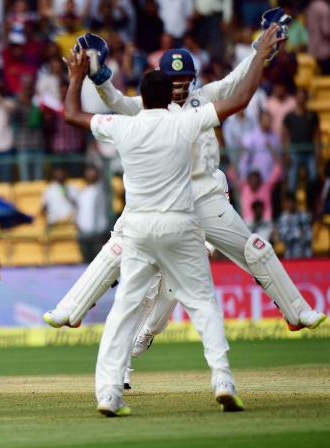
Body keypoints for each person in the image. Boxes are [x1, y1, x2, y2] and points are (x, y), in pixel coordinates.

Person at [44, 15, 324, 337]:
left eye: (184, 79)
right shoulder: (148, 105)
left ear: (193, 79)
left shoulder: (203, 99)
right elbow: (116, 101)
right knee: (116, 249)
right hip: (162, 194)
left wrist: (261, 50)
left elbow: (237, 80)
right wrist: (99, 77)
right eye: (173, 80)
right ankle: (71, 309)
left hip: (205, 194)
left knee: (256, 248)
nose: (178, 87)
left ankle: (297, 311)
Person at [62, 25, 280, 415]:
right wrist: (260, 55)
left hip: (139, 228)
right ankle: (222, 379)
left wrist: (78, 76)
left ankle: (108, 393)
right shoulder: (186, 121)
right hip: (181, 224)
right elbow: (241, 97)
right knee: (203, 305)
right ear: (170, 98)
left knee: (124, 310)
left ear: (141, 98)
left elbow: (71, 114)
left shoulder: (124, 125)